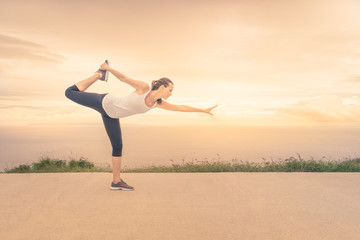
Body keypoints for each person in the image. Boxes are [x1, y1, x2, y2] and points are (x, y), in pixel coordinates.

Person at [65, 60, 218, 191]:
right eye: (170, 90)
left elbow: (180, 107)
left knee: (117, 146)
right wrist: (107, 69)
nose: (171, 94)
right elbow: (124, 78)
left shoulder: (158, 104)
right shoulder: (144, 89)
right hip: (104, 102)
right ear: (163, 86)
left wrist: (203, 110)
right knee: (69, 92)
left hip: (112, 116)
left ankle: (116, 182)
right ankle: (98, 75)